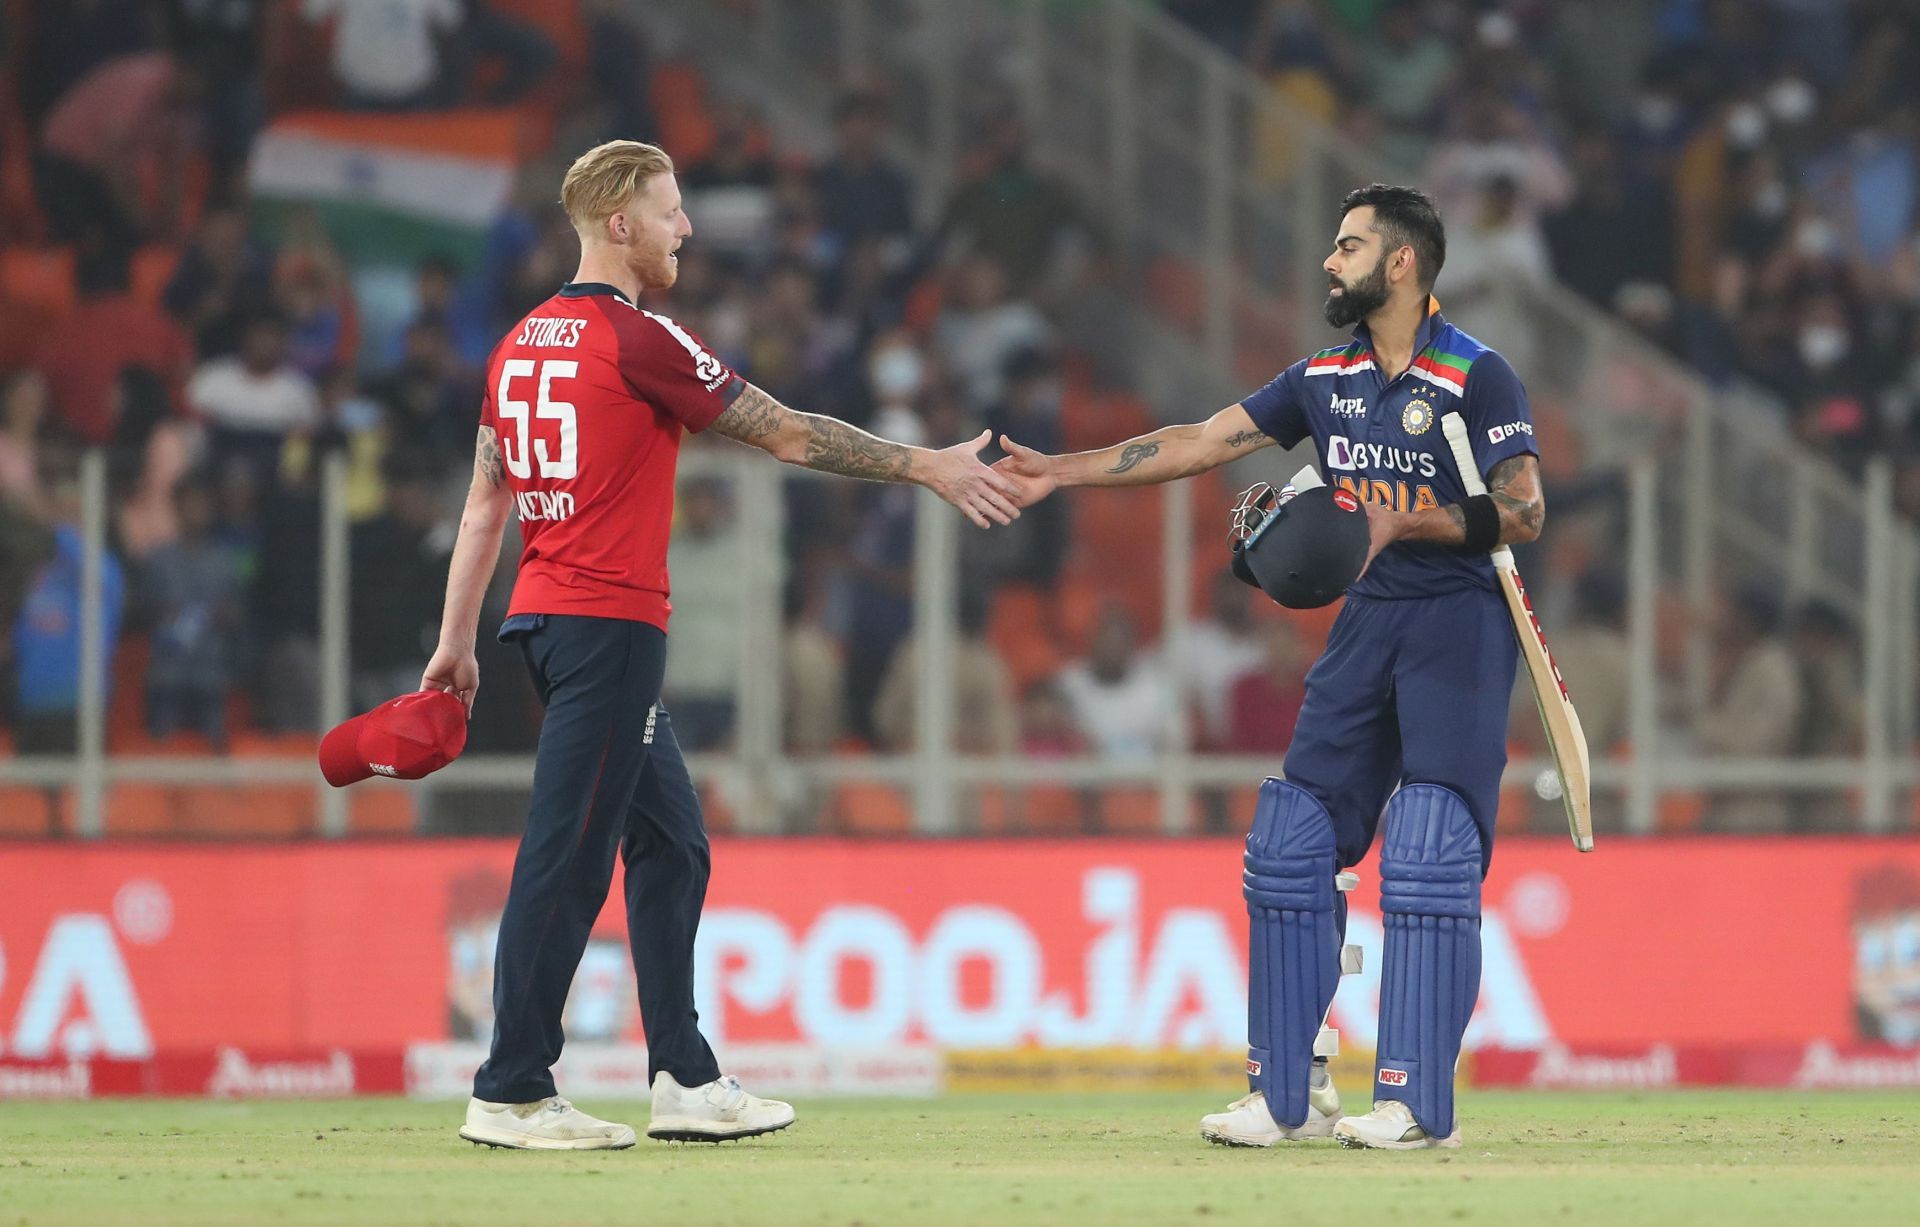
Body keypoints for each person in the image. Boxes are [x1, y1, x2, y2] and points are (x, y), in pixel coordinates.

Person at [423, 139, 1019, 1152]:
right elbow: (785, 433)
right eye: (670, 211)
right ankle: (512, 1085)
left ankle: (684, 1076)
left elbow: (487, 505)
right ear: (622, 225)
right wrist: (927, 466)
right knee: (570, 856)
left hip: (545, 620)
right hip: (609, 625)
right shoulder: (636, 338)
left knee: (672, 843)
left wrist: (457, 646)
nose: (686, 229)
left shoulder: (520, 344)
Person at [994, 184, 1545, 1151]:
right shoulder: (1321, 374)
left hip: (1459, 619)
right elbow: (1201, 442)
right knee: (1291, 838)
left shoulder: (1477, 375)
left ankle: (1416, 1103)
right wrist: (1062, 471)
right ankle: (1282, 1093)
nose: (1330, 263)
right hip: (1368, 618)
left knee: (1428, 843)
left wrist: (1397, 521)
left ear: (1402, 263)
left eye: (1349, 246)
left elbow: (1527, 510)